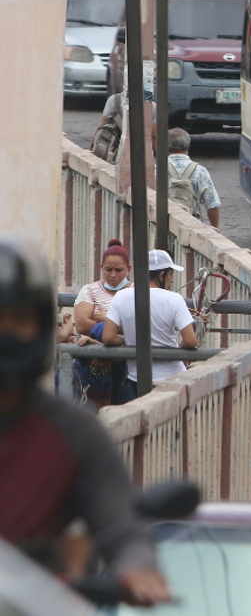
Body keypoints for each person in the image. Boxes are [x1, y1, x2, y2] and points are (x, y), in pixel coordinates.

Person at [0, 235, 171, 605]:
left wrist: (138, 567)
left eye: (17, 320)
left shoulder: (73, 431)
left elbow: (121, 526)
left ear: (39, 327)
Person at [102, 249, 198, 402]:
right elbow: (191, 340)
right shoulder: (175, 299)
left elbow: (108, 337)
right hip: (172, 378)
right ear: (161, 275)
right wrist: (177, 347)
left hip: (136, 379)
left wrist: (129, 341)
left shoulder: (121, 296)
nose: (171, 280)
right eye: (170, 274)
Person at [71, 239, 131, 408]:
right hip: (90, 363)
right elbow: (82, 324)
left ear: (129, 269)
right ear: (101, 268)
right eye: (108, 270)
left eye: (119, 270)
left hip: (125, 364)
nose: (113, 275)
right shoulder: (90, 290)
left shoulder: (135, 292)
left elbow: (141, 326)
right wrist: (119, 325)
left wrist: (106, 320)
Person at [166, 128, 220, 228]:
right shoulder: (200, 171)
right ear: (188, 146)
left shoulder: (157, 170)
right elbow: (212, 205)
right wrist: (215, 227)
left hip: (165, 225)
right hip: (192, 225)